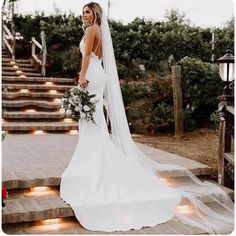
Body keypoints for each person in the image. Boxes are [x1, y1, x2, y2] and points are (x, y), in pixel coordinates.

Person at [60, 2, 234, 233]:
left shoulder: (91, 30)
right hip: (96, 74)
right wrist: (86, 74)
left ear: (95, 14)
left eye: (88, 12)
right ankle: (93, 160)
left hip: (91, 76)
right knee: (94, 121)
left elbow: (86, 58)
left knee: (90, 121)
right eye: (83, 12)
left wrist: (82, 77)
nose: (84, 15)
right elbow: (95, 57)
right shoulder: (100, 31)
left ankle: (93, 166)